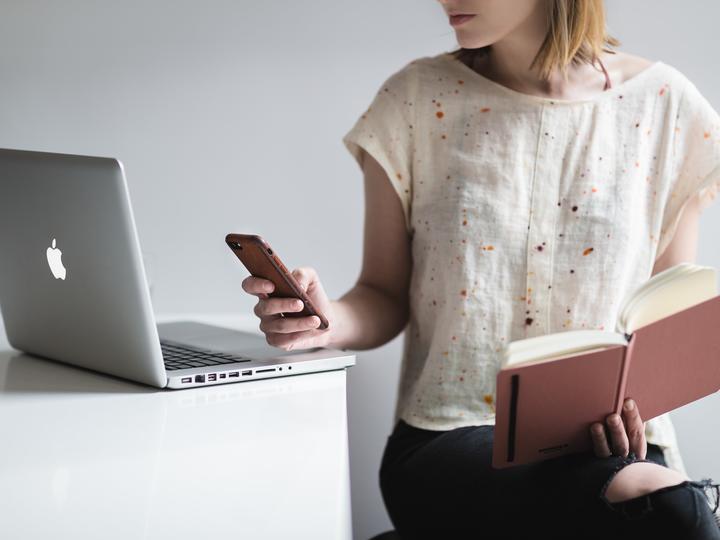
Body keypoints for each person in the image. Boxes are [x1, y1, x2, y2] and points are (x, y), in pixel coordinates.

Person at [242, 0, 720, 537]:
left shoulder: (667, 108)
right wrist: (324, 319)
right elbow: (381, 294)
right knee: (672, 515)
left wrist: (637, 401)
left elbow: (665, 328)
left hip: (618, 445)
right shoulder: (417, 100)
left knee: (668, 508)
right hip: (454, 437)